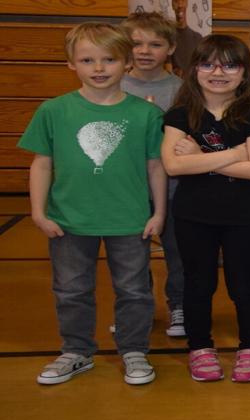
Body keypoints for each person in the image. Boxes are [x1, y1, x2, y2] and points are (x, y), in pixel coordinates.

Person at [24, 22, 166, 386]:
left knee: (134, 290)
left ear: (127, 63)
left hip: (130, 219)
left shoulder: (146, 114)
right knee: (71, 289)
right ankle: (76, 350)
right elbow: (42, 163)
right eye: (88, 60)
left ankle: (134, 349)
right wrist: (39, 212)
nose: (99, 68)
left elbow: (155, 166)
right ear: (71, 63)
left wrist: (159, 212)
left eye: (109, 59)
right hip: (69, 220)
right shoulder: (53, 110)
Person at [160, 33, 250, 383]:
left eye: (229, 64)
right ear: (194, 70)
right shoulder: (180, 114)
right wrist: (236, 154)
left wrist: (201, 157)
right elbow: (174, 167)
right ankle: (200, 347)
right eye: (208, 63)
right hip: (194, 216)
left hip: (244, 217)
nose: (218, 72)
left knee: (244, 286)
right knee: (198, 284)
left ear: (245, 73)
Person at [121, 10, 185, 338]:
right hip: (126, 189)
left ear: (171, 48)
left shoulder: (183, 89)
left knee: (178, 250)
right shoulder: (112, 84)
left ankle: (180, 305)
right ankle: (136, 309)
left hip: (174, 187)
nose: (145, 51)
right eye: (136, 44)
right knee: (130, 256)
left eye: (155, 44)